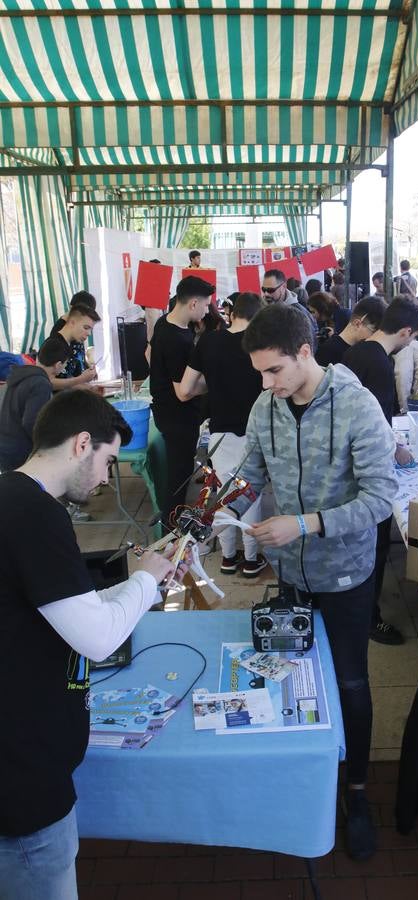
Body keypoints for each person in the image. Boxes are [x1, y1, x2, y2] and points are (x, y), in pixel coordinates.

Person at [224, 303, 397, 861]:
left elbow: (379, 498)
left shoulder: (356, 406)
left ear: (305, 353)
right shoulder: (266, 404)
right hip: (291, 571)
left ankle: (358, 792)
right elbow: (250, 474)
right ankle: (307, 777)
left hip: (345, 572)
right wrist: (210, 510)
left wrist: (304, 523)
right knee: (294, 675)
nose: (267, 383)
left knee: (349, 681)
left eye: (274, 370)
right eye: (259, 373)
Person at [0, 390, 176, 900]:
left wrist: (145, 580)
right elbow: (98, 637)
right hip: (24, 779)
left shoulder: (13, 498)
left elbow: (66, 605)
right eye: (106, 460)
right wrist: (145, 581)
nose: (105, 478)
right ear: (82, 444)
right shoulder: (36, 516)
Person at [343, 298, 418, 645]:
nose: (411, 343)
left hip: (351, 463)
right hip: (368, 469)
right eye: (413, 337)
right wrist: (398, 448)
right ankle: (369, 618)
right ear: (405, 331)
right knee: (375, 547)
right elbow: (376, 421)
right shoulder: (378, 364)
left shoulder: (357, 352)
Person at [179, 292, 267, 578]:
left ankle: (228, 557)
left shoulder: (209, 341)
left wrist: (215, 383)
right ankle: (251, 560)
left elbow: (186, 389)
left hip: (219, 432)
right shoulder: (262, 343)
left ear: (232, 314)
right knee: (251, 493)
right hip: (255, 431)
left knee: (226, 493)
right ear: (257, 318)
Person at [149, 275, 213, 530]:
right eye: (207, 305)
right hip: (177, 416)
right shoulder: (176, 339)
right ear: (194, 303)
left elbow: (148, 353)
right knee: (179, 475)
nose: (208, 310)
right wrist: (214, 383)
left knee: (181, 469)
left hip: (168, 411)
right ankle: (172, 528)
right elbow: (183, 392)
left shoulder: (166, 323)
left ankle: (173, 519)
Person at [0, 337, 70, 471]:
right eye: (65, 365)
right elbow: (32, 422)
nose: (64, 368)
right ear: (58, 365)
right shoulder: (40, 383)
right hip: (20, 453)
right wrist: (50, 447)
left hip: (6, 448)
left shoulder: (21, 375)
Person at [315, 296, 386, 366]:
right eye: (374, 332)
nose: (376, 338)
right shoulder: (327, 351)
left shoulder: (363, 352)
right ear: (357, 324)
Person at [50, 304, 100, 391]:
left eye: (90, 329)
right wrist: (81, 379)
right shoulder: (55, 345)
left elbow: (66, 380)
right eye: (86, 328)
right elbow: (48, 383)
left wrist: (89, 387)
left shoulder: (68, 344)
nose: (89, 333)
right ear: (72, 322)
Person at [261, 269, 317, 334]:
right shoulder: (262, 309)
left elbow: (311, 340)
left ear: (284, 287)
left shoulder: (299, 313)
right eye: (264, 289)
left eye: (270, 290)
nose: (266, 294)